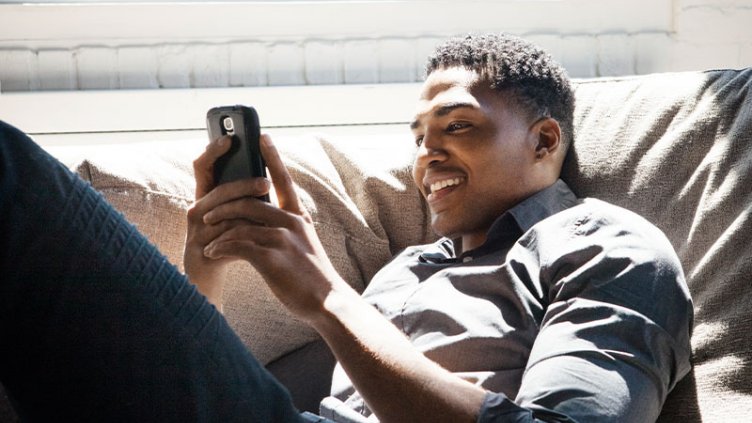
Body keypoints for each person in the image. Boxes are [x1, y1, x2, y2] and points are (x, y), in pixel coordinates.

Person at [0, 33, 692, 422]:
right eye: (418, 135)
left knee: (14, 176)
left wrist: (327, 297)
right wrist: (204, 269)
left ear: (545, 142)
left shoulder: (608, 244)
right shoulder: (406, 268)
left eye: (457, 126)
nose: (428, 154)